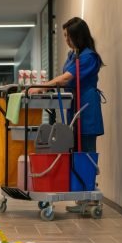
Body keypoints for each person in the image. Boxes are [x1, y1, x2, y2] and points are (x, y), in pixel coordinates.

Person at [29, 17, 105, 212]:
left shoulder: (89, 57)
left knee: (86, 152)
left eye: (68, 36)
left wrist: (41, 87)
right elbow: (65, 77)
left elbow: (66, 78)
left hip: (86, 109)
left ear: (78, 36)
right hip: (73, 107)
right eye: (64, 36)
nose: (66, 40)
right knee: (74, 151)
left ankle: (88, 196)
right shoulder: (73, 56)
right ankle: (81, 196)